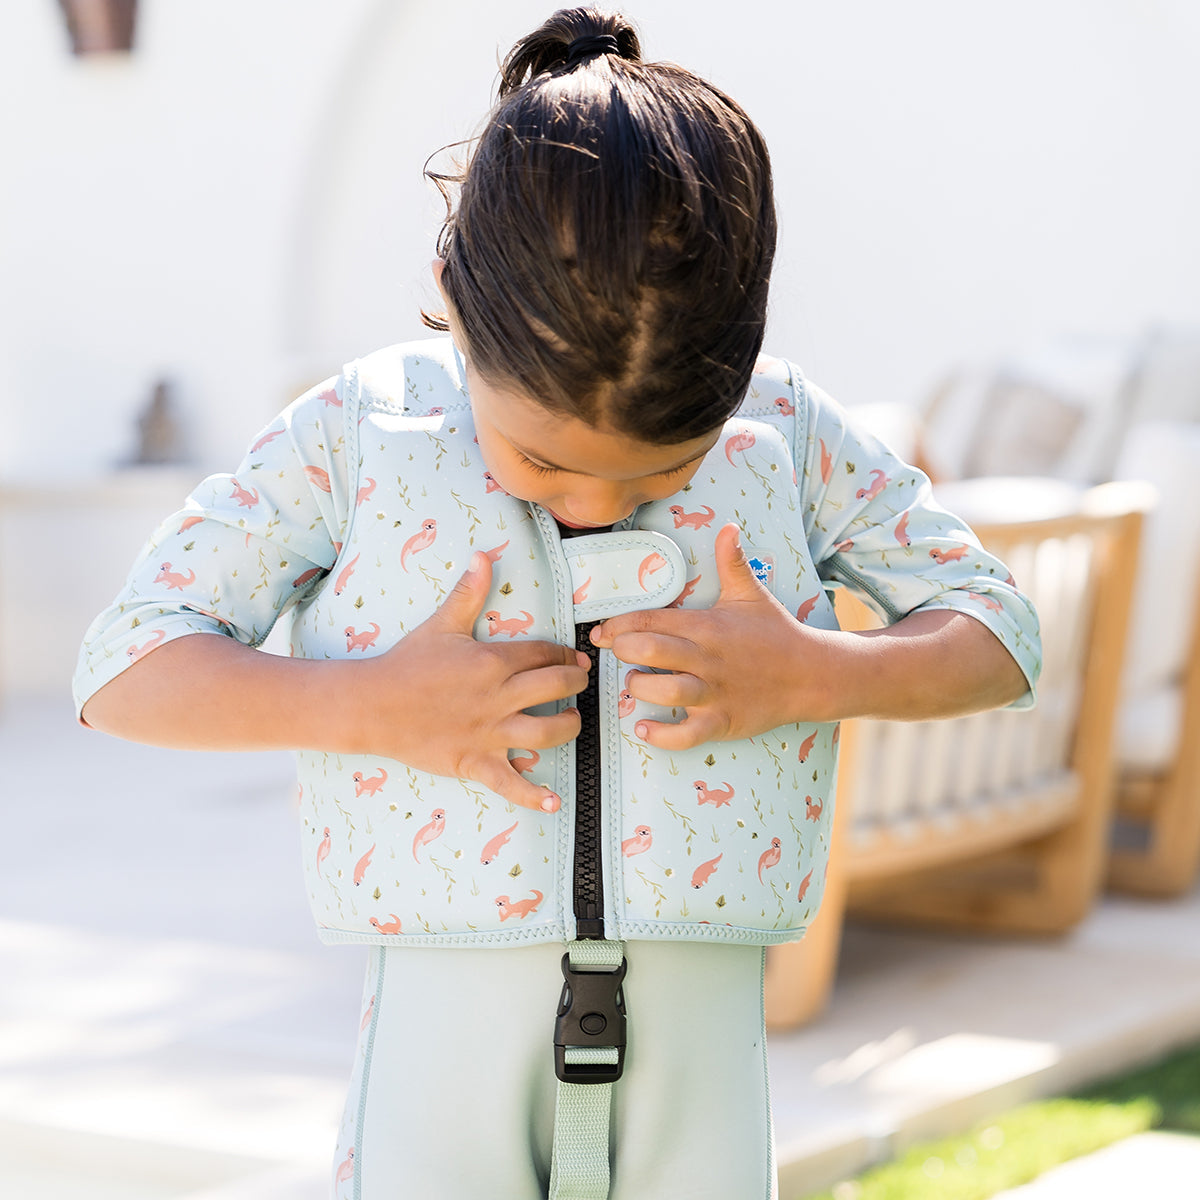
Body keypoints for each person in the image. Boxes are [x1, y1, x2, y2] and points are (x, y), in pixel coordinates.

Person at [73, 8, 1040, 1198]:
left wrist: (820, 672)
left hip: (704, 1038)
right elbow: (124, 671)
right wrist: (374, 707)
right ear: (451, 299)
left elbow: (998, 633)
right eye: (540, 463)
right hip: (446, 1024)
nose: (594, 504)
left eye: (662, 473)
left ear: (737, 374)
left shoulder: (787, 433)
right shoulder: (355, 436)